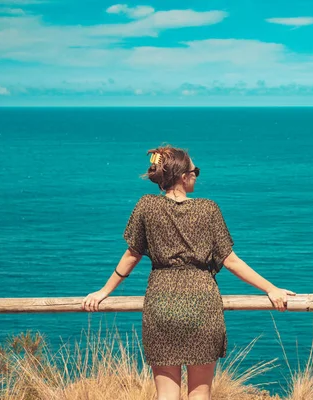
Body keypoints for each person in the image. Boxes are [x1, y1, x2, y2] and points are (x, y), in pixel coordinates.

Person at [81, 145, 295, 400]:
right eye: (196, 171)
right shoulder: (208, 209)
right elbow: (231, 261)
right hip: (202, 305)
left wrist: (103, 291)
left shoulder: (146, 206)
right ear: (184, 176)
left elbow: (131, 255)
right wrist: (271, 288)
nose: (197, 175)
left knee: (166, 396)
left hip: (162, 304)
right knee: (200, 395)